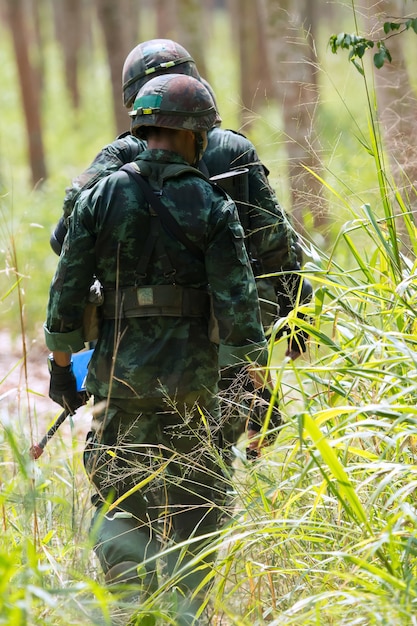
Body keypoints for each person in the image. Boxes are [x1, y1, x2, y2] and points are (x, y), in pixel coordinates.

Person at [44, 73, 271, 624]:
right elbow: (241, 315)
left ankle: (127, 609)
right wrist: (256, 395)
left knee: (119, 505)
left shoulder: (101, 196)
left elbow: (66, 295)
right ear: (194, 135)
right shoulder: (213, 204)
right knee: (198, 509)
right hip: (193, 393)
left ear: (144, 128)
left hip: (117, 389)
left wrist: (61, 371)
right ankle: (187, 610)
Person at [50, 38, 311, 453]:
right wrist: (296, 313)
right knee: (212, 460)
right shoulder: (231, 149)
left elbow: (64, 239)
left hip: (131, 347)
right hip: (227, 337)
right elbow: (276, 243)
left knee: (126, 467)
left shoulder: (118, 159)